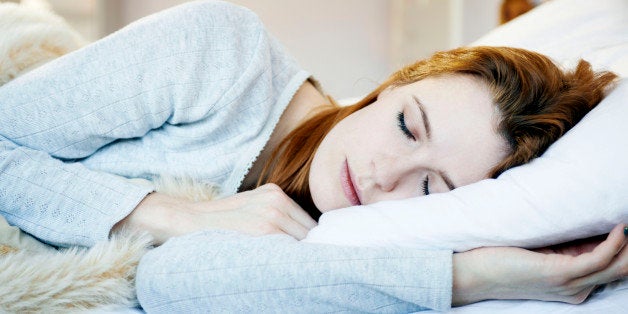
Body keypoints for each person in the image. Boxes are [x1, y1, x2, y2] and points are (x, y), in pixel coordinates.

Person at [0, 0, 625, 312]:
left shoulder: (353, 239)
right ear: (394, 84)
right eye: (407, 126)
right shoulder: (217, 56)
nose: (383, 175)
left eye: (431, 190)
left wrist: (472, 276)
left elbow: (173, 284)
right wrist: (172, 215)